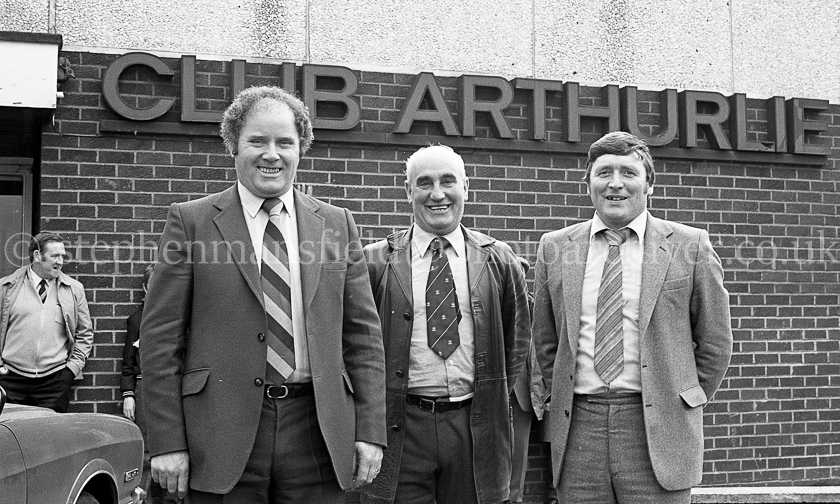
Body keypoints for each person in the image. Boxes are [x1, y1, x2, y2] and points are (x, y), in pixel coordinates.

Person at [140, 85, 386, 503]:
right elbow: (160, 340)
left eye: (284, 142)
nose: (272, 154)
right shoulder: (191, 222)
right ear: (233, 145)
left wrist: (370, 430)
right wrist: (166, 442)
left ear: (300, 149)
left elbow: (364, 337)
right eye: (258, 141)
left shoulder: (337, 224)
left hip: (318, 431)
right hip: (219, 432)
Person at [532, 131, 733, 503]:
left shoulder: (690, 246)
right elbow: (545, 342)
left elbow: (715, 343)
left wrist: (683, 398)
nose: (615, 183)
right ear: (588, 183)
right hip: (577, 429)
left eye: (628, 172)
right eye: (604, 172)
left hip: (659, 428)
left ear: (649, 183)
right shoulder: (555, 247)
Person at [361, 144, 531, 504]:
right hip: (401, 427)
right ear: (408, 191)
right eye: (424, 183)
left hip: (473, 427)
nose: (437, 194)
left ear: (465, 187)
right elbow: (358, 347)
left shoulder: (499, 259)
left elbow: (516, 340)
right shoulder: (374, 262)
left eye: (447, 181)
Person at [0, 231, 93, 413]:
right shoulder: (6, 287)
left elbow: (85, 334)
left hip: (54, 383)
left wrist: (70, 371)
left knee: (50, 432)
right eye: (55, 256)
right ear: (37, 256)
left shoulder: (74, 289)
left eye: (62, 256)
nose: (60, 261)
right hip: (10, 379)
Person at [121, 264, 178, 504]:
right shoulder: (137, 320)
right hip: (144, 387)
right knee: (145, 451)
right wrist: (128, 394)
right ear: (145, 288)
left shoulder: (178, 317)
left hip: (174, 387)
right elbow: (128, 361)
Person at [506, 257, 548, 504]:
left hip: (521, 394)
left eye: (521, 276)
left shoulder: (534, 309)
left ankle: (514, 499)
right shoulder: (490, 304)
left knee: (518, 454)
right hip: (492, 393)